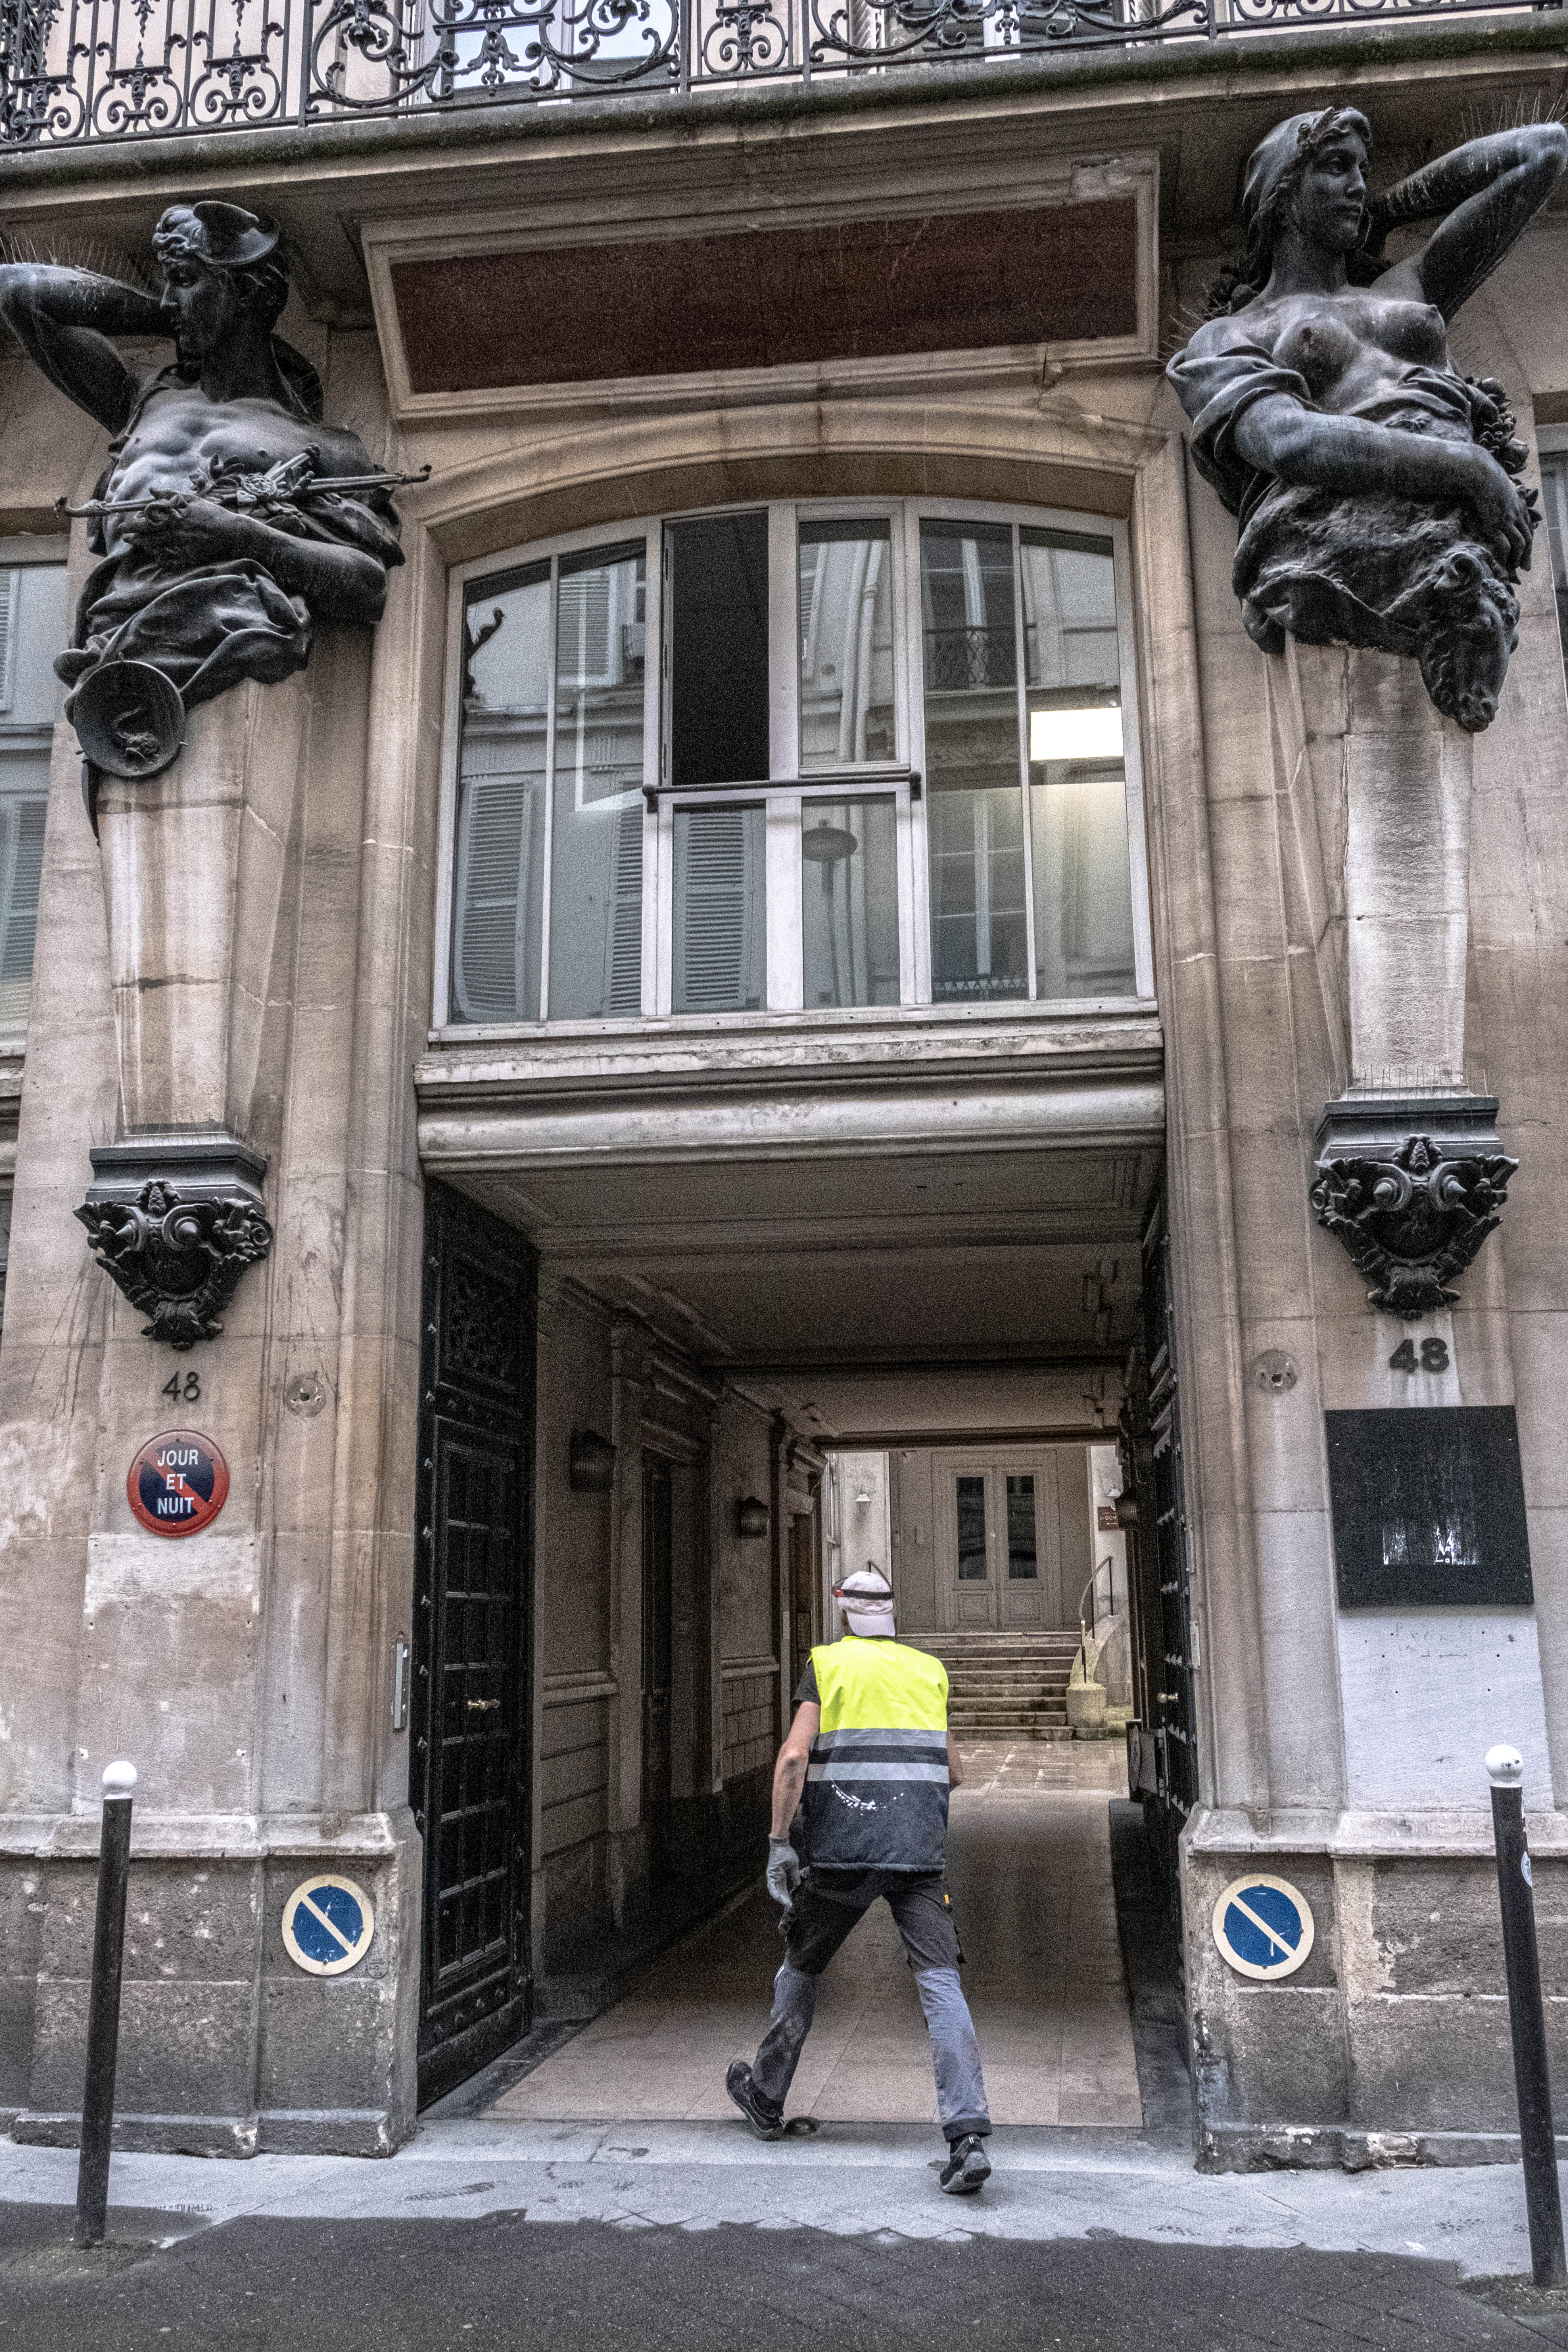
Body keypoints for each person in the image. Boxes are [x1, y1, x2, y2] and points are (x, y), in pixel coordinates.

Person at [1166, 111, 1568, 733]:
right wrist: (1467, 468)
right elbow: (1286, 439)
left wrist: (1385, 209)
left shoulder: (1406, 288)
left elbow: (1542, 152)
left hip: (1459, 533)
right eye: (1336, 167)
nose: (1356, 183)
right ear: (1281, 194)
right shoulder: (1229, 336)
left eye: (1362, 168)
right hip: (1333, 534)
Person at [0, 200, 403, 779]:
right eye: (169, 282)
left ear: (251, 294)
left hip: (228, 635)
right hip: (115, 646)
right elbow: (21, 292)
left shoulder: (323, 448)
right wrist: (180, 311)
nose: (169, 298)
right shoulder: (141, 402)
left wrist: (239, 535)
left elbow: (367, 586)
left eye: (185, 280)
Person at [725, 1565, 992, 2195]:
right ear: (893, 1615)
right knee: (940, 1983)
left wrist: (779, 1841)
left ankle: (765, 2093)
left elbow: (795, 1755)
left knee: (802, 1964)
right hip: (917, 1851)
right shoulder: (928, 1671)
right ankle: (967, 2136)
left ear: (844, 1612)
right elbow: (955, 1770)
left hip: (843, 1850)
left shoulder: (827, 1665)